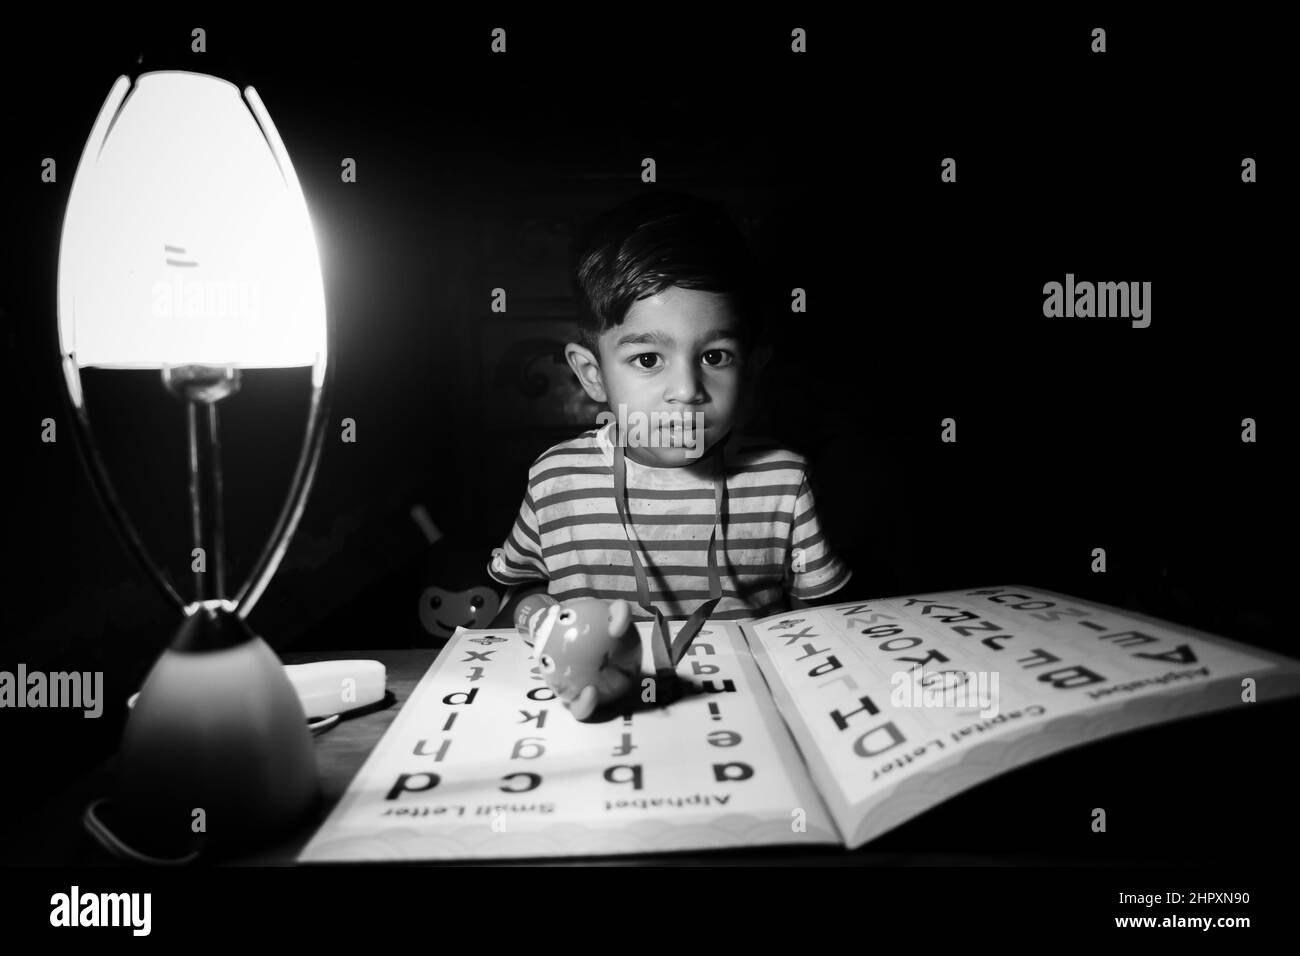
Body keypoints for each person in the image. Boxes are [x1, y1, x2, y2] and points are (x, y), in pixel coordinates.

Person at [487, 190, 851, 633]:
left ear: (752, 369)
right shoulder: (555, 480)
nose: (686, 390)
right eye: (647, 360)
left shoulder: (785, 480)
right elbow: (518, 596)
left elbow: (825, 621)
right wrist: (535, 614)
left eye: (715, 357)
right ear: (592, 374)